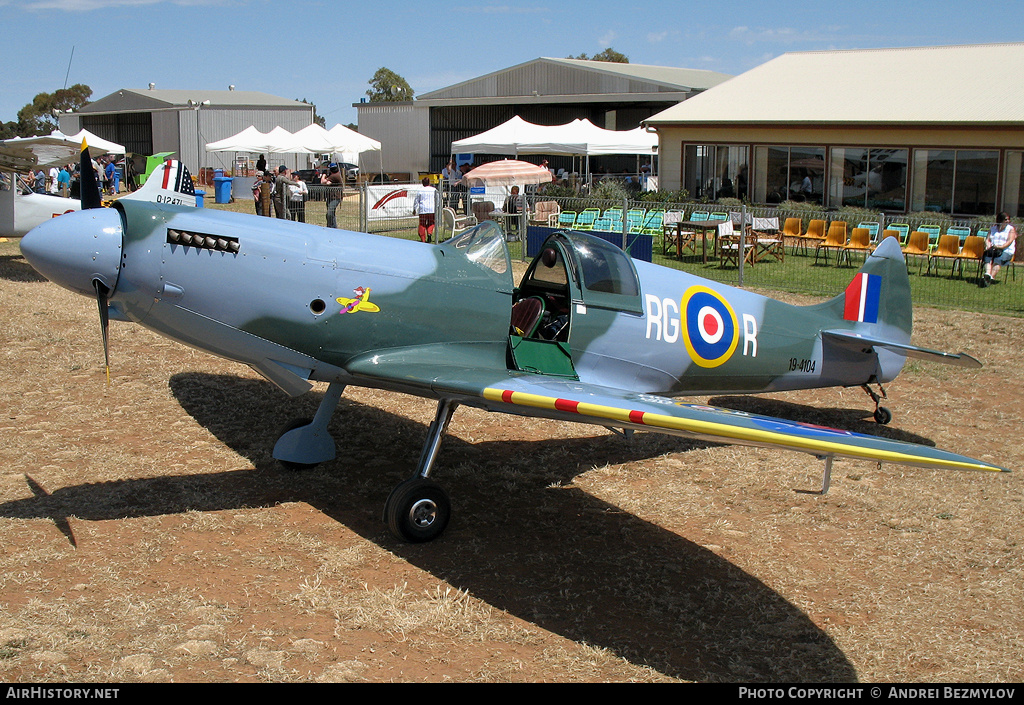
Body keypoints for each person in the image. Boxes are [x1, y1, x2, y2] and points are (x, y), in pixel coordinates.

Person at [982, 212, 1017, 287]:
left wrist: (999, 247)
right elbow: (987, 239)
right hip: (994, 249)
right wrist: (988, 245)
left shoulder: (1011, 229)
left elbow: (1009, 242)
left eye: (1008, 219)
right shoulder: (993, 228)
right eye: (1005, 219)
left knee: (998, 260)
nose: (1008, 221)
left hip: (1006, 251)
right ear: (1000, 220)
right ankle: (987, 274)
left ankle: (990, 278)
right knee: (987, 256)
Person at [413, 177, 438, 243]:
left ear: (422, 183)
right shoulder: (434, 190)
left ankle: (423, 239)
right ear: (429, 182)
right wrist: (437, 207)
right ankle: (429, 233)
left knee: (422, 224)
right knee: (431, 223)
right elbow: (437, 199)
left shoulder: (420, 190)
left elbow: (416, 201)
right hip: (432, 209)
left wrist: (414, 209)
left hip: (423, 210)